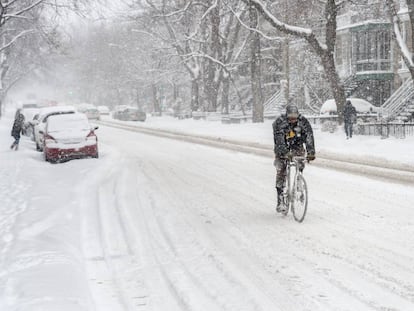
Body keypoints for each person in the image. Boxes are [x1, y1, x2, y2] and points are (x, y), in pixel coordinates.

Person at [272, 105, 315, 213]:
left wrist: (311, 152)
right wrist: (285, 152)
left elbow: (309, 136)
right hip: (283, 146)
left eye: (295, 117)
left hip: (297, 145)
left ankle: (299, 179)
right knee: (281, 169)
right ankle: (281, 199)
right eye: (290, 117)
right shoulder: (280, 123)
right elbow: (279, 140)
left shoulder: (303, 122)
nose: (293, 120)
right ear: (287, 116)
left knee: (300, 160)